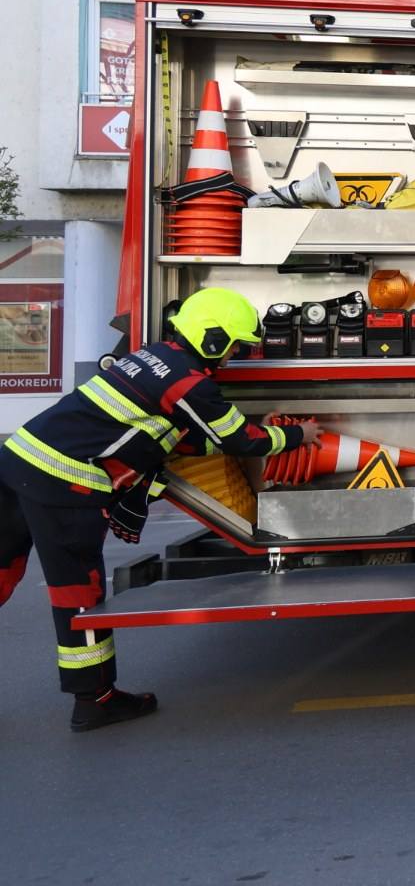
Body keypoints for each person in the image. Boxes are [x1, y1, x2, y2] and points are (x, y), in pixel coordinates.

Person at [0, 289, 319, 731]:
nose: (236, 356)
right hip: (63, 484)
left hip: (17, 461)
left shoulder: (151, 357)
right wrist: (299, 436)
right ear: (213, 340)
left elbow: (179, 438)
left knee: (2, 569)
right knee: (78, 596)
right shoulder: (191, 383)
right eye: (236, 346)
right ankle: (95, 700)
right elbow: (241, 440)